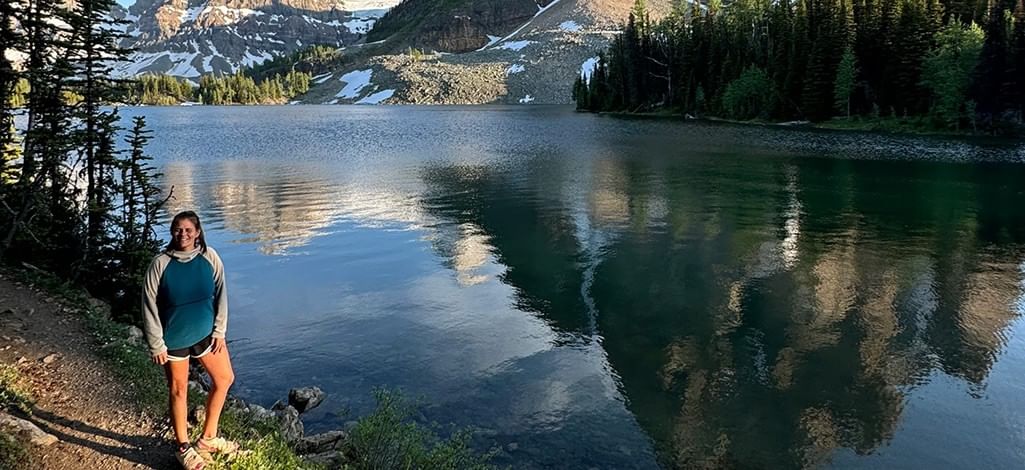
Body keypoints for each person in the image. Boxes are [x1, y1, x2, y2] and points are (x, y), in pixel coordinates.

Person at [142, 210, 239, 470]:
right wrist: (156, 344)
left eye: (188, 229)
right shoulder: (160, 264)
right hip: (174, 338)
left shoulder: (209, 257)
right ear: (172, 232)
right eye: (177, 229)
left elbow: (221, 294)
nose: (182, 234)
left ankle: (208, 439)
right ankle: (183, 448)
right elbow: (148, 305)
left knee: (224, 379)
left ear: (197, 232)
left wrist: (220, 330)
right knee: (179, 390)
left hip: (207, 334)